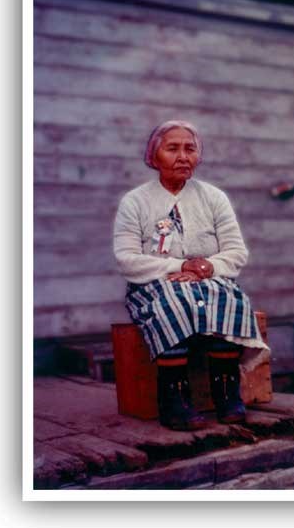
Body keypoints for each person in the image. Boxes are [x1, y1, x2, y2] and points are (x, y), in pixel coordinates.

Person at [113, 120, 269, 431]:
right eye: (172, 148)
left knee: (231, 299)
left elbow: (236, 252)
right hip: (154, 285)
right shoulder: (135, 202)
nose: (183, 156)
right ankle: (175, 400)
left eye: (190, 148)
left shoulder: (214, 198)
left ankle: (227, 394)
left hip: (209, 281)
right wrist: (178, 267)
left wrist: (206, 268)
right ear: (153, 156)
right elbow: (127, 260)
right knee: (174, 300)